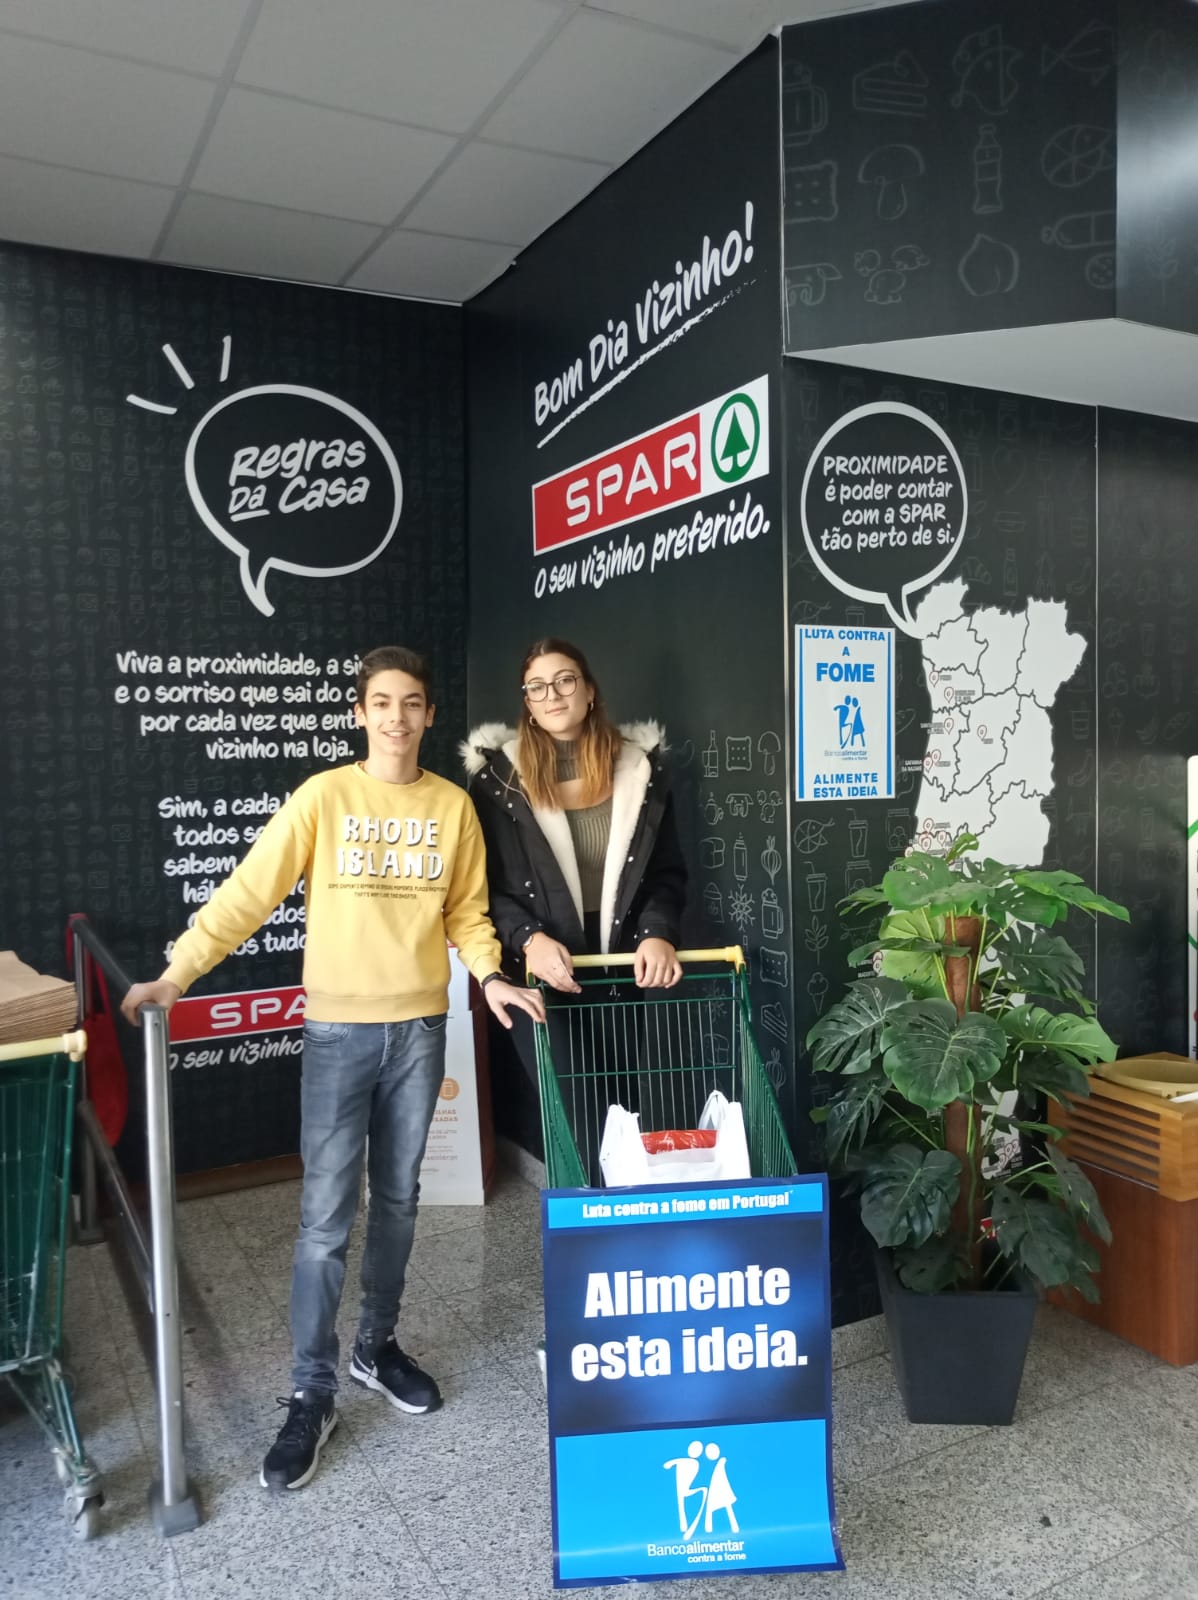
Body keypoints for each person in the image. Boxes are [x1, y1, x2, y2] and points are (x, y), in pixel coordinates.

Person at [121, 646, 544, 1492]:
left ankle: (374, 1348)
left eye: (412, 702)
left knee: (399, 1201)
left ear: (429, 715)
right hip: (338, 1032)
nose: (397, 717)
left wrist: (492, 975)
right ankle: (311, 1392)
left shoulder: (452, 807)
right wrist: (178, 974)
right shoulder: (324, 797)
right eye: (381, 702)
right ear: (360, 713)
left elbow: (466, 913)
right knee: (322, 1220)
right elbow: (249, 892)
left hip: (420, 1030)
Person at [462, 636, 686, 995]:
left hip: (624, 968)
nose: (552, 695)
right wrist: (529, 938)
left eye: (565, 680)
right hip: (538, 972)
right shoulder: (498, 782)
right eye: (537, 687)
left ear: (590, 690)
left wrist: (656, 932)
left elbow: (665, 875)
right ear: (528, 704)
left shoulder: (642, 773)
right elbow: (484, 887)